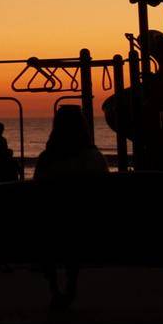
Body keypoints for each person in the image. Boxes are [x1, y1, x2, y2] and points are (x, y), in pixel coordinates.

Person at [33, 106, 108, 310]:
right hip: (92, 230)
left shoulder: (47, 160)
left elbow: (37, 198)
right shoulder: (95, 159)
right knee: (74, 227)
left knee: (54, 225)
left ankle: (55, 288)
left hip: (53, 232)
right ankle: (71, 282)